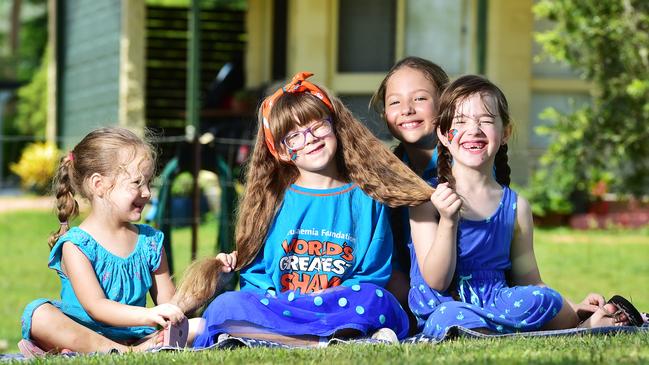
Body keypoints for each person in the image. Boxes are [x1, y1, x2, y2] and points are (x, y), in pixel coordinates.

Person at [172, 72, 435, 348]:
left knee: (377, 301)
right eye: (293, 136)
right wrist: (278, 298)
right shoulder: (272, 199)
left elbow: (374, 270)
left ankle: (269, 338)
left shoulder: (368, 197)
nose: (309, 138)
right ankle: (320, 341)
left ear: (335, 125)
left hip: (341, 306)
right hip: (283, 307)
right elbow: (255, 274)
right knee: (227, 305)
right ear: (282, 152)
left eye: (317, 125)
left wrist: (332, 297)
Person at [408, 74, 645, 339]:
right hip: (445, 305)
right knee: (449, 316)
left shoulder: (516, 206)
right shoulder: (426, 200)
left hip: (498, 302)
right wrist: (448, 221)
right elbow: (436, 281)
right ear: (443, 133)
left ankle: (582, 323)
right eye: (460, 122)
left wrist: (573, 306)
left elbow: (529, 279)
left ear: (505, 132)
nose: (473, 129)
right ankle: (547, 330)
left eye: (486, 120)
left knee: (542, 298)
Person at [19, 127, 194, 356]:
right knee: (39, 315)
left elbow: (170, 303)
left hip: (136, 332)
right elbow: (96, 306)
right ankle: (125, 352)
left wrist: (209, 279)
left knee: (198, 325)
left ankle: (133, 348)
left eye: (149, 182)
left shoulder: (150, 241)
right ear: (98, 185)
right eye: (137, 183)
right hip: (84, 331)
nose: (147, 192)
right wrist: (147, 315)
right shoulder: (77, 245)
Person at [369, 57, 449, 325]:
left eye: (420, 99)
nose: (407, 109)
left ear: (445, 104)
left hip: (462, 286)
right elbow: (388, 255)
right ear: (384, 116)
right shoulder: (387, 176)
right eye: (395, 102)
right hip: (407, 290)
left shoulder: (469, 167)